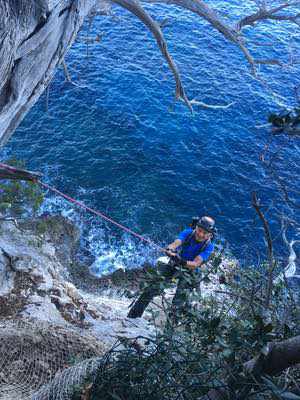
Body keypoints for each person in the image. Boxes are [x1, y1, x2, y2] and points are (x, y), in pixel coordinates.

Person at [127, 216, 216, 319]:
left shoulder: (209, 246)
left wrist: (181, 261)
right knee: (151, 289)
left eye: (204, 233)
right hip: (176, 264)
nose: (200, 234)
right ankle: (132, 317)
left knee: (178, 303)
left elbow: (196, 263)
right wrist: (169, 249)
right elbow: (175, 243)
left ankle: (169, 332)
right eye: (199, 230)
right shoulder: (188, 233)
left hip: (190, 272)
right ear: (196, 227)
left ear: (209, 234)